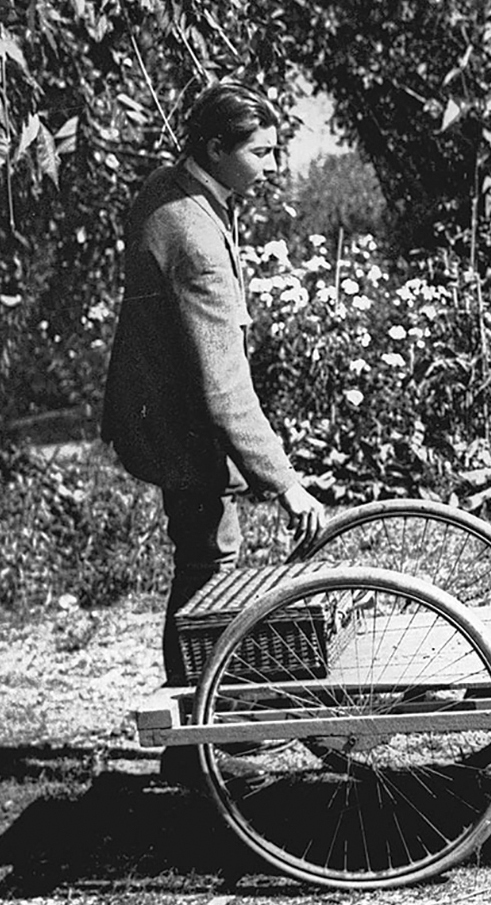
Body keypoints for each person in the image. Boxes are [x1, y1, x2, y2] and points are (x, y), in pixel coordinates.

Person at [102, 79, 327, 703]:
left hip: (162, 411)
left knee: (200, 563)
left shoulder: (169, 191)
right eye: (261, 152)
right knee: (209, 567)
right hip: (184, 425)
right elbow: (224, 387)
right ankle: (198, 732)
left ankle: (198, 720)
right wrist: (286, 483)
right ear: (213, 147)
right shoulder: (195, 238)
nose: (275, 166)